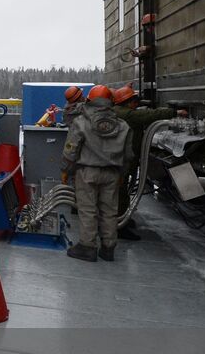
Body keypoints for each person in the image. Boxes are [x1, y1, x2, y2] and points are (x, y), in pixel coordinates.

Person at [60, 84, 132, 262]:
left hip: (87, 172)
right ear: (111, 101)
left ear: (89, 100)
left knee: (88, 210)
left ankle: (87, 247)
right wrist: (123, 174)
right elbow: (128, 155)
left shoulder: (81, 123)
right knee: (109, 210)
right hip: (112, 173)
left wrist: (66, 171)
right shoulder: (123, 126)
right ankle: (108, 248)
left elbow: (71, 151)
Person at [111, 84, 183, 240]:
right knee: (121, 193)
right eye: (134, 100)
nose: (136, 104)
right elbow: (150, 115)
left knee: (121, 191)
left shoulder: (117, 112)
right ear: (128, 102)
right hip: (122, 160)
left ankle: (121, 220)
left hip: (119, 158)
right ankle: (118, 227)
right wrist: (175, 112)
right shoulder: (128, 115)